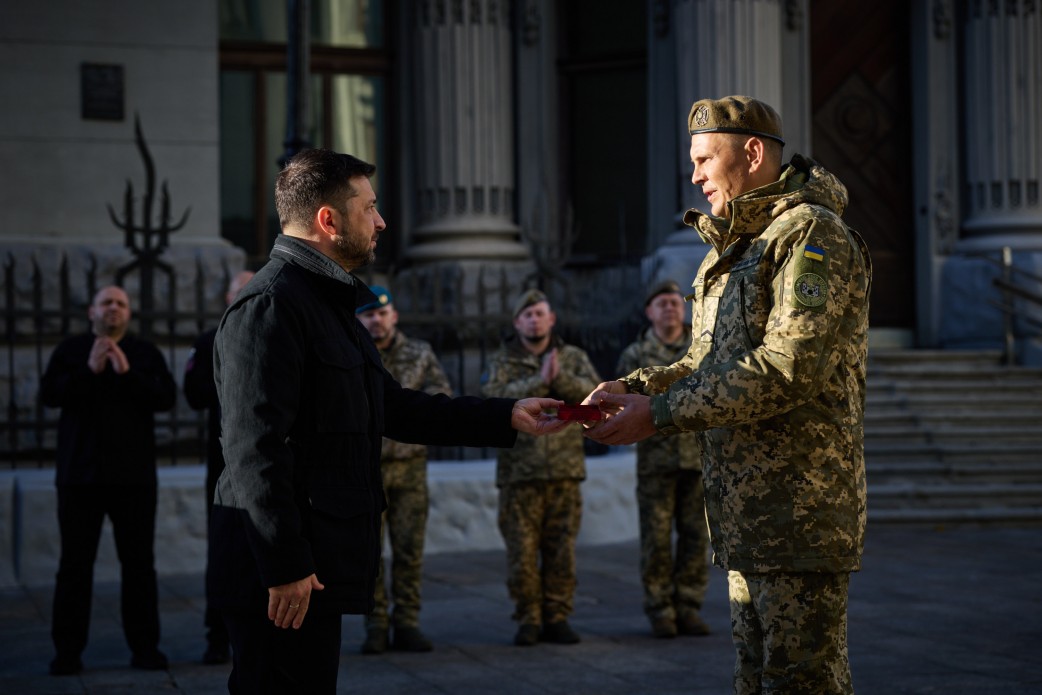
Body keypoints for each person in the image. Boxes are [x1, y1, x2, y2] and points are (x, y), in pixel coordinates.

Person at [208, 148, 570, 694]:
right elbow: (254, 448)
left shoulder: (327, 303)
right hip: (281, 576)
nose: (380, 222)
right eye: (369, 208)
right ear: (328, 220)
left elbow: (392, 406)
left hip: (314, 563)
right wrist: (285, 566)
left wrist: (506, 414)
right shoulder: (271, 305)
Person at [584, 95, 872, 694]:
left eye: (703, 160)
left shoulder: (810, 233)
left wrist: (659, 414)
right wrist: (636, 387)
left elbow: (788, 367)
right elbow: (704, 363)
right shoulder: (736, 244)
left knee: (802, 683)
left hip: (797, 511)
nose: (694, 176)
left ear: (753, 153)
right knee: (754, 678)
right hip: (746, 515)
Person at [40, 285, 177, 676]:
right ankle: (67, 653)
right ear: (91, 311)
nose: (113, 309)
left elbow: (165, 398)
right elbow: (50, 395)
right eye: (106, 303)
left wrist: (127, 373)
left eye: (120, 304)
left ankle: (145, 649)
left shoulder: (144, 353)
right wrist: (89, 370)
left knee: (139, 566)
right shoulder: (70, 351)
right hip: (79, 479)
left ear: (128, 313)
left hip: (134, 480)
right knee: (74, 567)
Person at [480, 289, 602, 647]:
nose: (534, 320)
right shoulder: (502, 360)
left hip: (564, 471)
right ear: (517, 323)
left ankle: (557, 616)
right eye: (527, 315)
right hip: (519, 475)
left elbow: (594, 404)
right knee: (521, 552)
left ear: (551, 319)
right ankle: (528, 618)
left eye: (540, 313)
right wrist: (540, 381)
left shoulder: (573, 357)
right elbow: (491, 401)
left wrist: (560, 378)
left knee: (561, 550)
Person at [355, 285, 452, 654]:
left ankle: (407, 622)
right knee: (369, 552)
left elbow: (441, 394)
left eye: (382, 313)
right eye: (369, 314)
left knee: (410, 549)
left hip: (410, 467)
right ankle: (376, 625)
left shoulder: (419, 352)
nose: (376, 321)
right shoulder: (352, 353)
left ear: (394, 315)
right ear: (359, 319)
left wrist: (412, 411)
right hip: (368, 469)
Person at [615, 279, 711, 640]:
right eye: (662, 303)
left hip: (697, 458)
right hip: (655, 462)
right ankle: (660, 609)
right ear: (649, 312)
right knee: (656, 539)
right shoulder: (636, 355)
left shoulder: (700, 346)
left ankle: (688, 606)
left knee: (695, 536)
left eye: (674, 302)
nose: (670, 308)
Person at [182, 269, 254, 665]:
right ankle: (217, 635)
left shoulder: (276, 332)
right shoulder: (210, 340)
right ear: (227, 297)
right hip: (223, 467)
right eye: (239, 289)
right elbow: (194, 394)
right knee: (223, 553)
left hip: (267, 463)